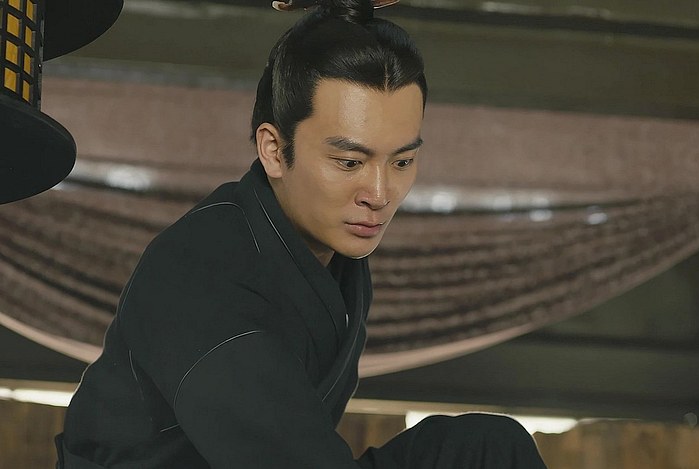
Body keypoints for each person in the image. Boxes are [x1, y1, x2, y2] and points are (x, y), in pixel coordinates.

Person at [56, 0, 548, 467]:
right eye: (349, 162)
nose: (380, 194)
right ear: (273, 150)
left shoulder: (332, 253)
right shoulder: (203, 276)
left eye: (402, 162)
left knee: (488, 449)